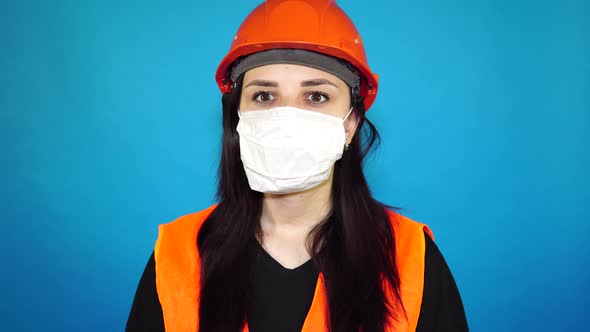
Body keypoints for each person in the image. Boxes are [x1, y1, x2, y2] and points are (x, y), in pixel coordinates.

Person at [126, 0, 468, 331]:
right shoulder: (177, 255)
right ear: (238, 117)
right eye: (264, 96)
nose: (286, 116)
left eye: (316, 96)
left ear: (350, 124)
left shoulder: (411, 259)